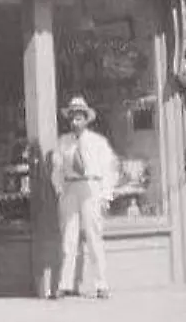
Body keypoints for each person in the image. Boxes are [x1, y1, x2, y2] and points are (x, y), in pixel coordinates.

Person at [49, 95, 117, 300]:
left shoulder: (98, 142)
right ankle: (65, 284)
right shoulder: (63, 142)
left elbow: (109, 169)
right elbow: (57, 170)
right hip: (71, 188)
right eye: (72, 118)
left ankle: (101, 284)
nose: (75, 122)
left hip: (91, 187)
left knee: (93, 236)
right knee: (68, 238)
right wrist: (60, 190)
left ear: (86, 119)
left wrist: (105, 195)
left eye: (79, 118)